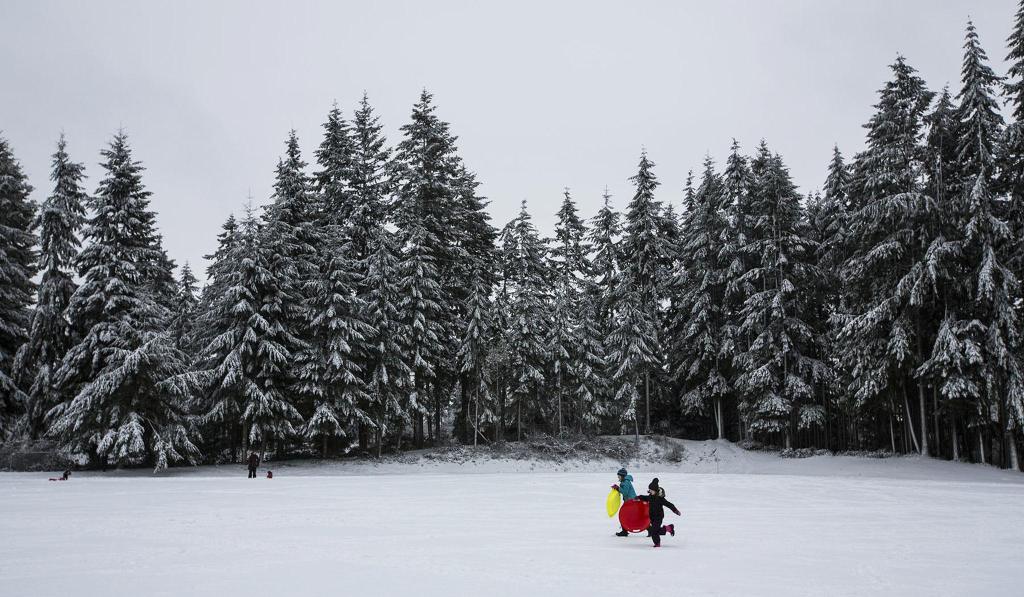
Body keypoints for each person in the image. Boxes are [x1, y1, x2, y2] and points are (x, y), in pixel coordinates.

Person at [637, 478, 681, 547]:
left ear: (655, 490)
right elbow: (645, 498)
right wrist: (639, 497)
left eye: (651, 490)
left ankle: (657, 543)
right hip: (652, 517)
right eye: (650, 490)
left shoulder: (660, 499)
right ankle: (668, 528)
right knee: (655, 530)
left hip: (658, 517)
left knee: (654, 531)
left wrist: (675, 510)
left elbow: (669, 504)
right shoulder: (650, 496)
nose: (650, 491)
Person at [612, 467, 637, 537]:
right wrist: (617, 488)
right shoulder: (624, 482)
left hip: (631, 502)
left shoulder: (626, 482)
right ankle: (624, 531)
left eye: (619, 476)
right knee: (625, 516)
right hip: (629, 502)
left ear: (622, 476)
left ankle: (624, 531)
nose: (618, 478)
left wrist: (617, 488)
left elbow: (625, 492)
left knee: (624, 516)